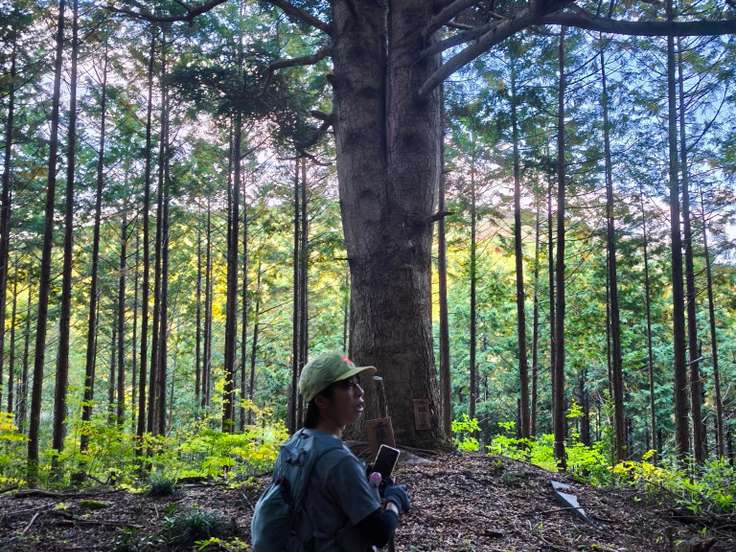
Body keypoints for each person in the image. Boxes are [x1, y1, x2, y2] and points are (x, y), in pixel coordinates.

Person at [278, 351, 411, 550]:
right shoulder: (340, 461)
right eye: (348, 386)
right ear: (321, 400)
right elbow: (380, 533)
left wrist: (362, 481)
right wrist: (395, 499)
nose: (360, 391)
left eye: (358, 383)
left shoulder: (294, 444)